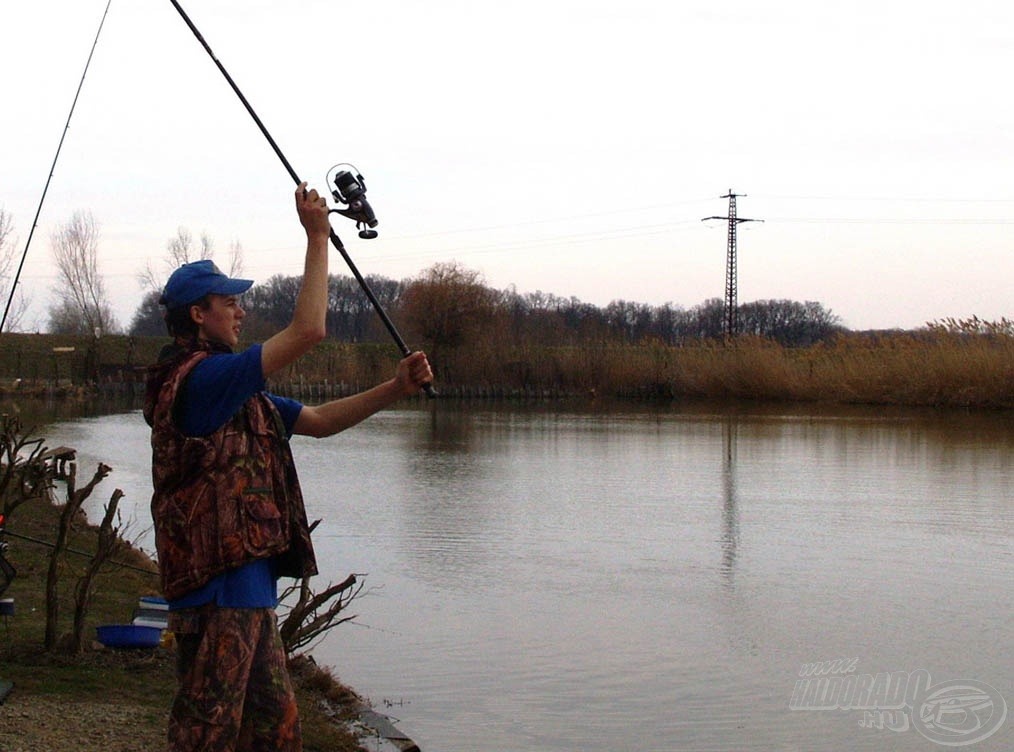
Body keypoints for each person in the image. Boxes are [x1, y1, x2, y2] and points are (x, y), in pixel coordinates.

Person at [143, 182, 432, 752]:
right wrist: (318, 237)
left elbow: (320, 421)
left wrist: (395, 387)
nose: (241, 311)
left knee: (276, 733)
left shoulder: (237, 394)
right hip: (217, 593)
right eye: (230, 304)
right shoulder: (202, 381)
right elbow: (308, 331)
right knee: (206, 735)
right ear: (199, 315)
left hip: (248, 593)